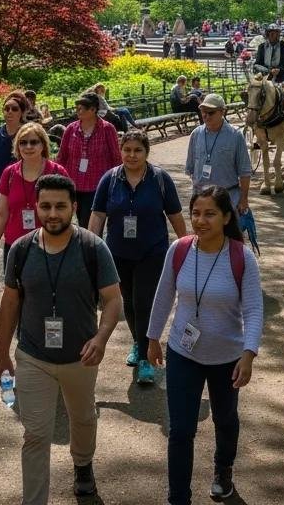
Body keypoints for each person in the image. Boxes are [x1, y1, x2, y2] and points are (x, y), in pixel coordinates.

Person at [0, 174, 122, 505]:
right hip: (33, 356)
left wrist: (101, 337)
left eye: (60, 207)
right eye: (46, 206)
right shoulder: (21, 250)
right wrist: (2, 354)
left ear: (74, 208)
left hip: (81, 356)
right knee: (35, 434)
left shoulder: (93, 248)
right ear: (36, 207)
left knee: (82, 418)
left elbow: (112, 299)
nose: (52, 214)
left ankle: (82, 465)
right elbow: (10, 303)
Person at [147, 185, 264, 505]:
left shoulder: (242, 257)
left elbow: (254, 310)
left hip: (227, 356)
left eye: (210, 213)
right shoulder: (180, 249)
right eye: (195, 213)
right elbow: (164, 296)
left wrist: (249, 354)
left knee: (225, 420)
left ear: (226, 217)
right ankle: (178, 497)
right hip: (183, 353)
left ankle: (222, 469)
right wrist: (153, 337)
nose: (200, 220)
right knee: (181, 430)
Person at [88, 129, 186, 386]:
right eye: (127, 150)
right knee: (127, 302)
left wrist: (187, 245)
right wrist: (89, 246)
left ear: (146, 152)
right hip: (117, 253)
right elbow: (98, 215)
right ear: (121, 151)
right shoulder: (109, 179)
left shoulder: (160, 179)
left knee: (144, 301)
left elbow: (174, 214)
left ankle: (145, 357)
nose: (131, 155)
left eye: (137, 150)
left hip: (152, 251)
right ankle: (137, 341)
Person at [0, 123, 69, 274]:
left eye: (34, 142)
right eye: (23, 142)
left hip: (50, 245)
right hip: (15, 245)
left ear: (43, 145)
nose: (28, 146)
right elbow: (1, 213)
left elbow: (67, 211)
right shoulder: (9, 173)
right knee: (15, 294)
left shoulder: (57, 172)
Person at [55, 93, 122, 228]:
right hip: (74, 185)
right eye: (77, 108)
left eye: (81, 108)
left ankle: (91, 247)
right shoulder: (71, 129)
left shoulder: (107, 129)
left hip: (98, 186)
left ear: (92, 110)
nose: (77, 111)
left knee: (92, 225)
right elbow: (62, 156)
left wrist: (119, 182)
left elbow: (116, 157)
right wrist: (56, 178)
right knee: (78, 222)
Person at [185, 94, 251, 215]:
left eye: (211, 112)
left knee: (227, 234)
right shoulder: (196, 134)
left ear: (222, 112)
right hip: (201, 200)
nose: (206, 116)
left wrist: (244, 199)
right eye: (203, 112)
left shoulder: (235, 135)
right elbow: (191, 169)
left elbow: (245, 172)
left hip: (227, 199)